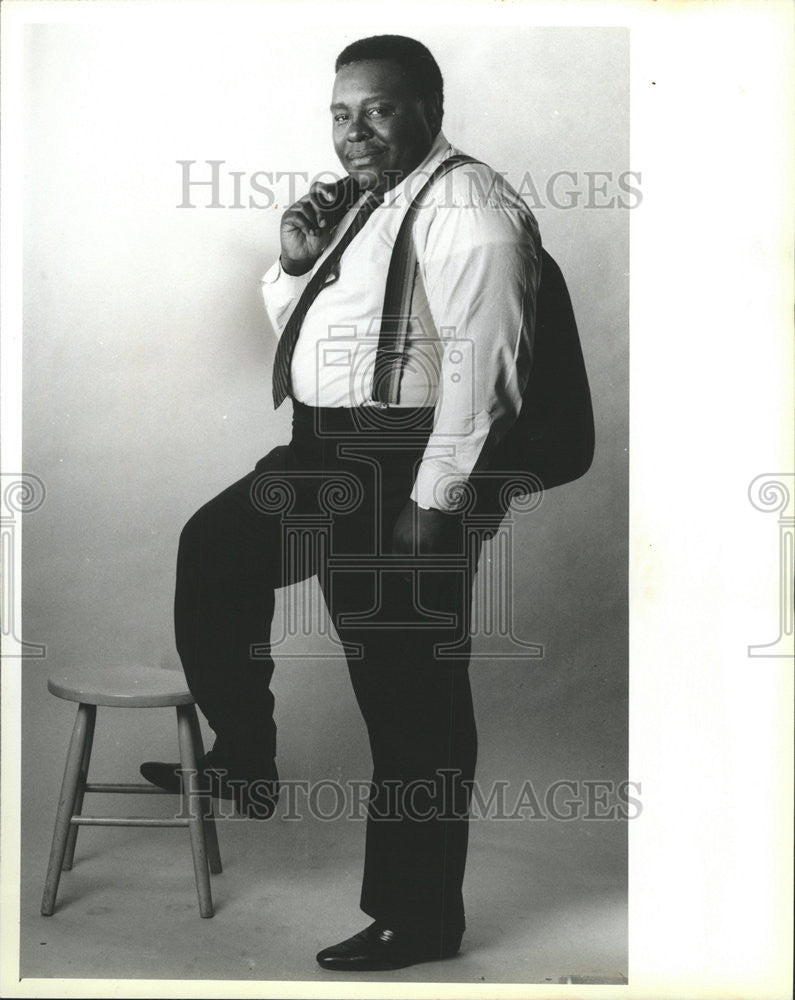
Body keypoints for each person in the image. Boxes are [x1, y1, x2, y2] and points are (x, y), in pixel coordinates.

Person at [140, 34, 541, 972]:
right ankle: (245, 749)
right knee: (216, 550)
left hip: (407, 462)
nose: (353, 132)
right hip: (329, 450)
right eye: (340, 112)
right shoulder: (377, 198)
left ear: (430, 109)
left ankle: (419, 918)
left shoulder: (471, 209)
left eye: (379, 109)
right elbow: (342, 338)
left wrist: (434, 504)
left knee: (410, 698)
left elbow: (490, 377)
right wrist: (293, 264)